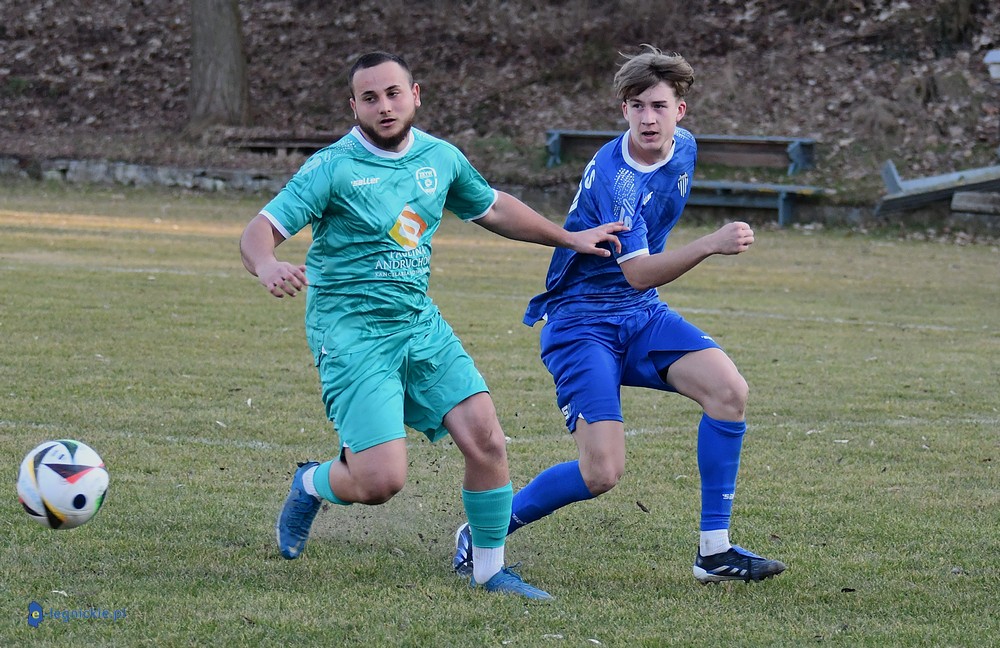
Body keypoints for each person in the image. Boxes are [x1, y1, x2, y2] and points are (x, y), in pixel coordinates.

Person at [239, 51, 625, 601]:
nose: (384, 106)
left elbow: (494, 208)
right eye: (370, 98)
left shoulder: (440, 158)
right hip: (351, 332)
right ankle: (311, 482)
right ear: (354, 107)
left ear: (415, 94)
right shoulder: (332, 167)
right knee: (380, 482)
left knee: (487, 439)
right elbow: (260, 230)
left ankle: (488, 569)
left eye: (393, 93)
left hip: (419, 322)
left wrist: (568, 238)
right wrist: (267, 264)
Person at [453, 45, 786, 585]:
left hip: (639, 314)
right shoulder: (618, 177)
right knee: (602, 472)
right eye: (636, 106)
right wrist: (709, 244)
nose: (648, 118)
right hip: (581, 322)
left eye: (659, 106)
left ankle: (714, 551)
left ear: (681, 110)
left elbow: (639, 280)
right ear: (623, 110)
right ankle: (482, 531)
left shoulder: (685, 147)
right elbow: (638, 272)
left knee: (729, 391)